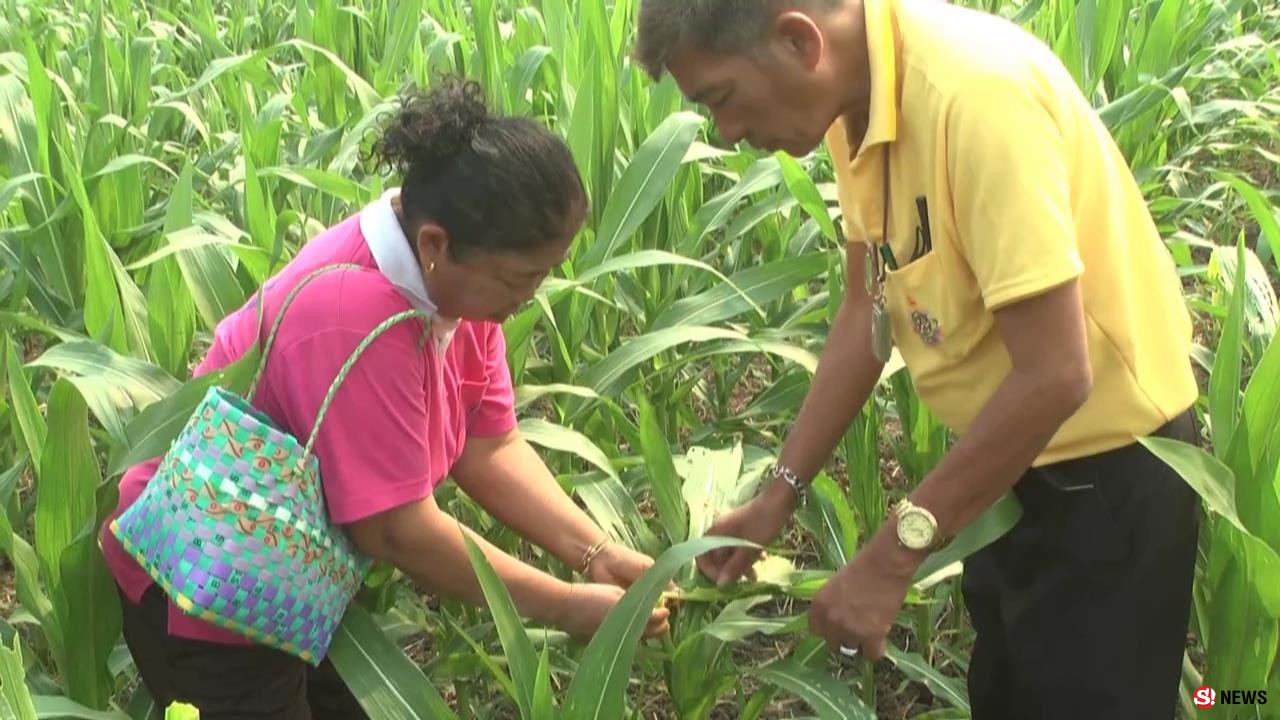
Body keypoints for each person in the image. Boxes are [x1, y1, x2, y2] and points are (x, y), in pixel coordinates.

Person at [633, 1, 1201, 718]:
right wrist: (778, 493)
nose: (728, 132)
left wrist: (891, 557)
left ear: (799, 40)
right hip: (1003, 465)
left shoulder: (975, 98)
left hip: (1109, 478)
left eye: (721, 98)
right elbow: (867, 307)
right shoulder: (854, 99)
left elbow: (1056, 372)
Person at [99, 76, 669, 719]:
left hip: (297, 580)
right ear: (435, 245)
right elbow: (398, 531)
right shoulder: (357, 317)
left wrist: (597, 552)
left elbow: (490, 445)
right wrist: (563, 605)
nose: (531, 295)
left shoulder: (455, 292)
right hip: (210, 592)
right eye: (520, 277)